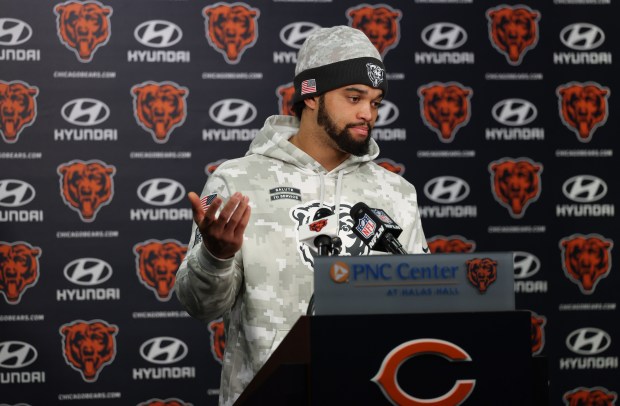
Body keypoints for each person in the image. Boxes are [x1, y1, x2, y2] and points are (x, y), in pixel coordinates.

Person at [175, 25, 428, 405]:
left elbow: (422, 310)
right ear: (310, 95)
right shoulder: (237, 181)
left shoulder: (397, 194)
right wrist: (216, 256)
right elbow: (199, 305)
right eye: (354, 96)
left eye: (375, 102)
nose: (367, 114)